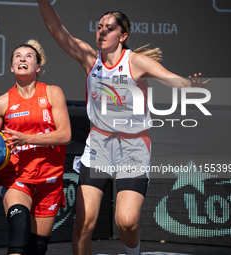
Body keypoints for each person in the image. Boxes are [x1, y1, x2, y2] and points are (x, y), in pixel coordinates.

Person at [37, 1, 209, 255]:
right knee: (84, 224)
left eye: (109, 28)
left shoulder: (136, 62)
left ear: (123, 35)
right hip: (99, 145)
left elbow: (176, 82)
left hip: (133, 146)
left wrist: (191, 86)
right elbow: (55, 28)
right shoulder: (88, 57)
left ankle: (134, 253)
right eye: (99, 27)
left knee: (126, 222)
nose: (102, 32)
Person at [0, 39, 71, 255]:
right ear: (12, 67)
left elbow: (65, 135)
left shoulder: (53, 93)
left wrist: (26, 138)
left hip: (49, 180)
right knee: (19, 234)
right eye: (17, 56)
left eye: (29, 56)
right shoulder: (1, 103)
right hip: (16, 178)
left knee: (36, 249)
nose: (22, 58)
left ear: (37, 68)